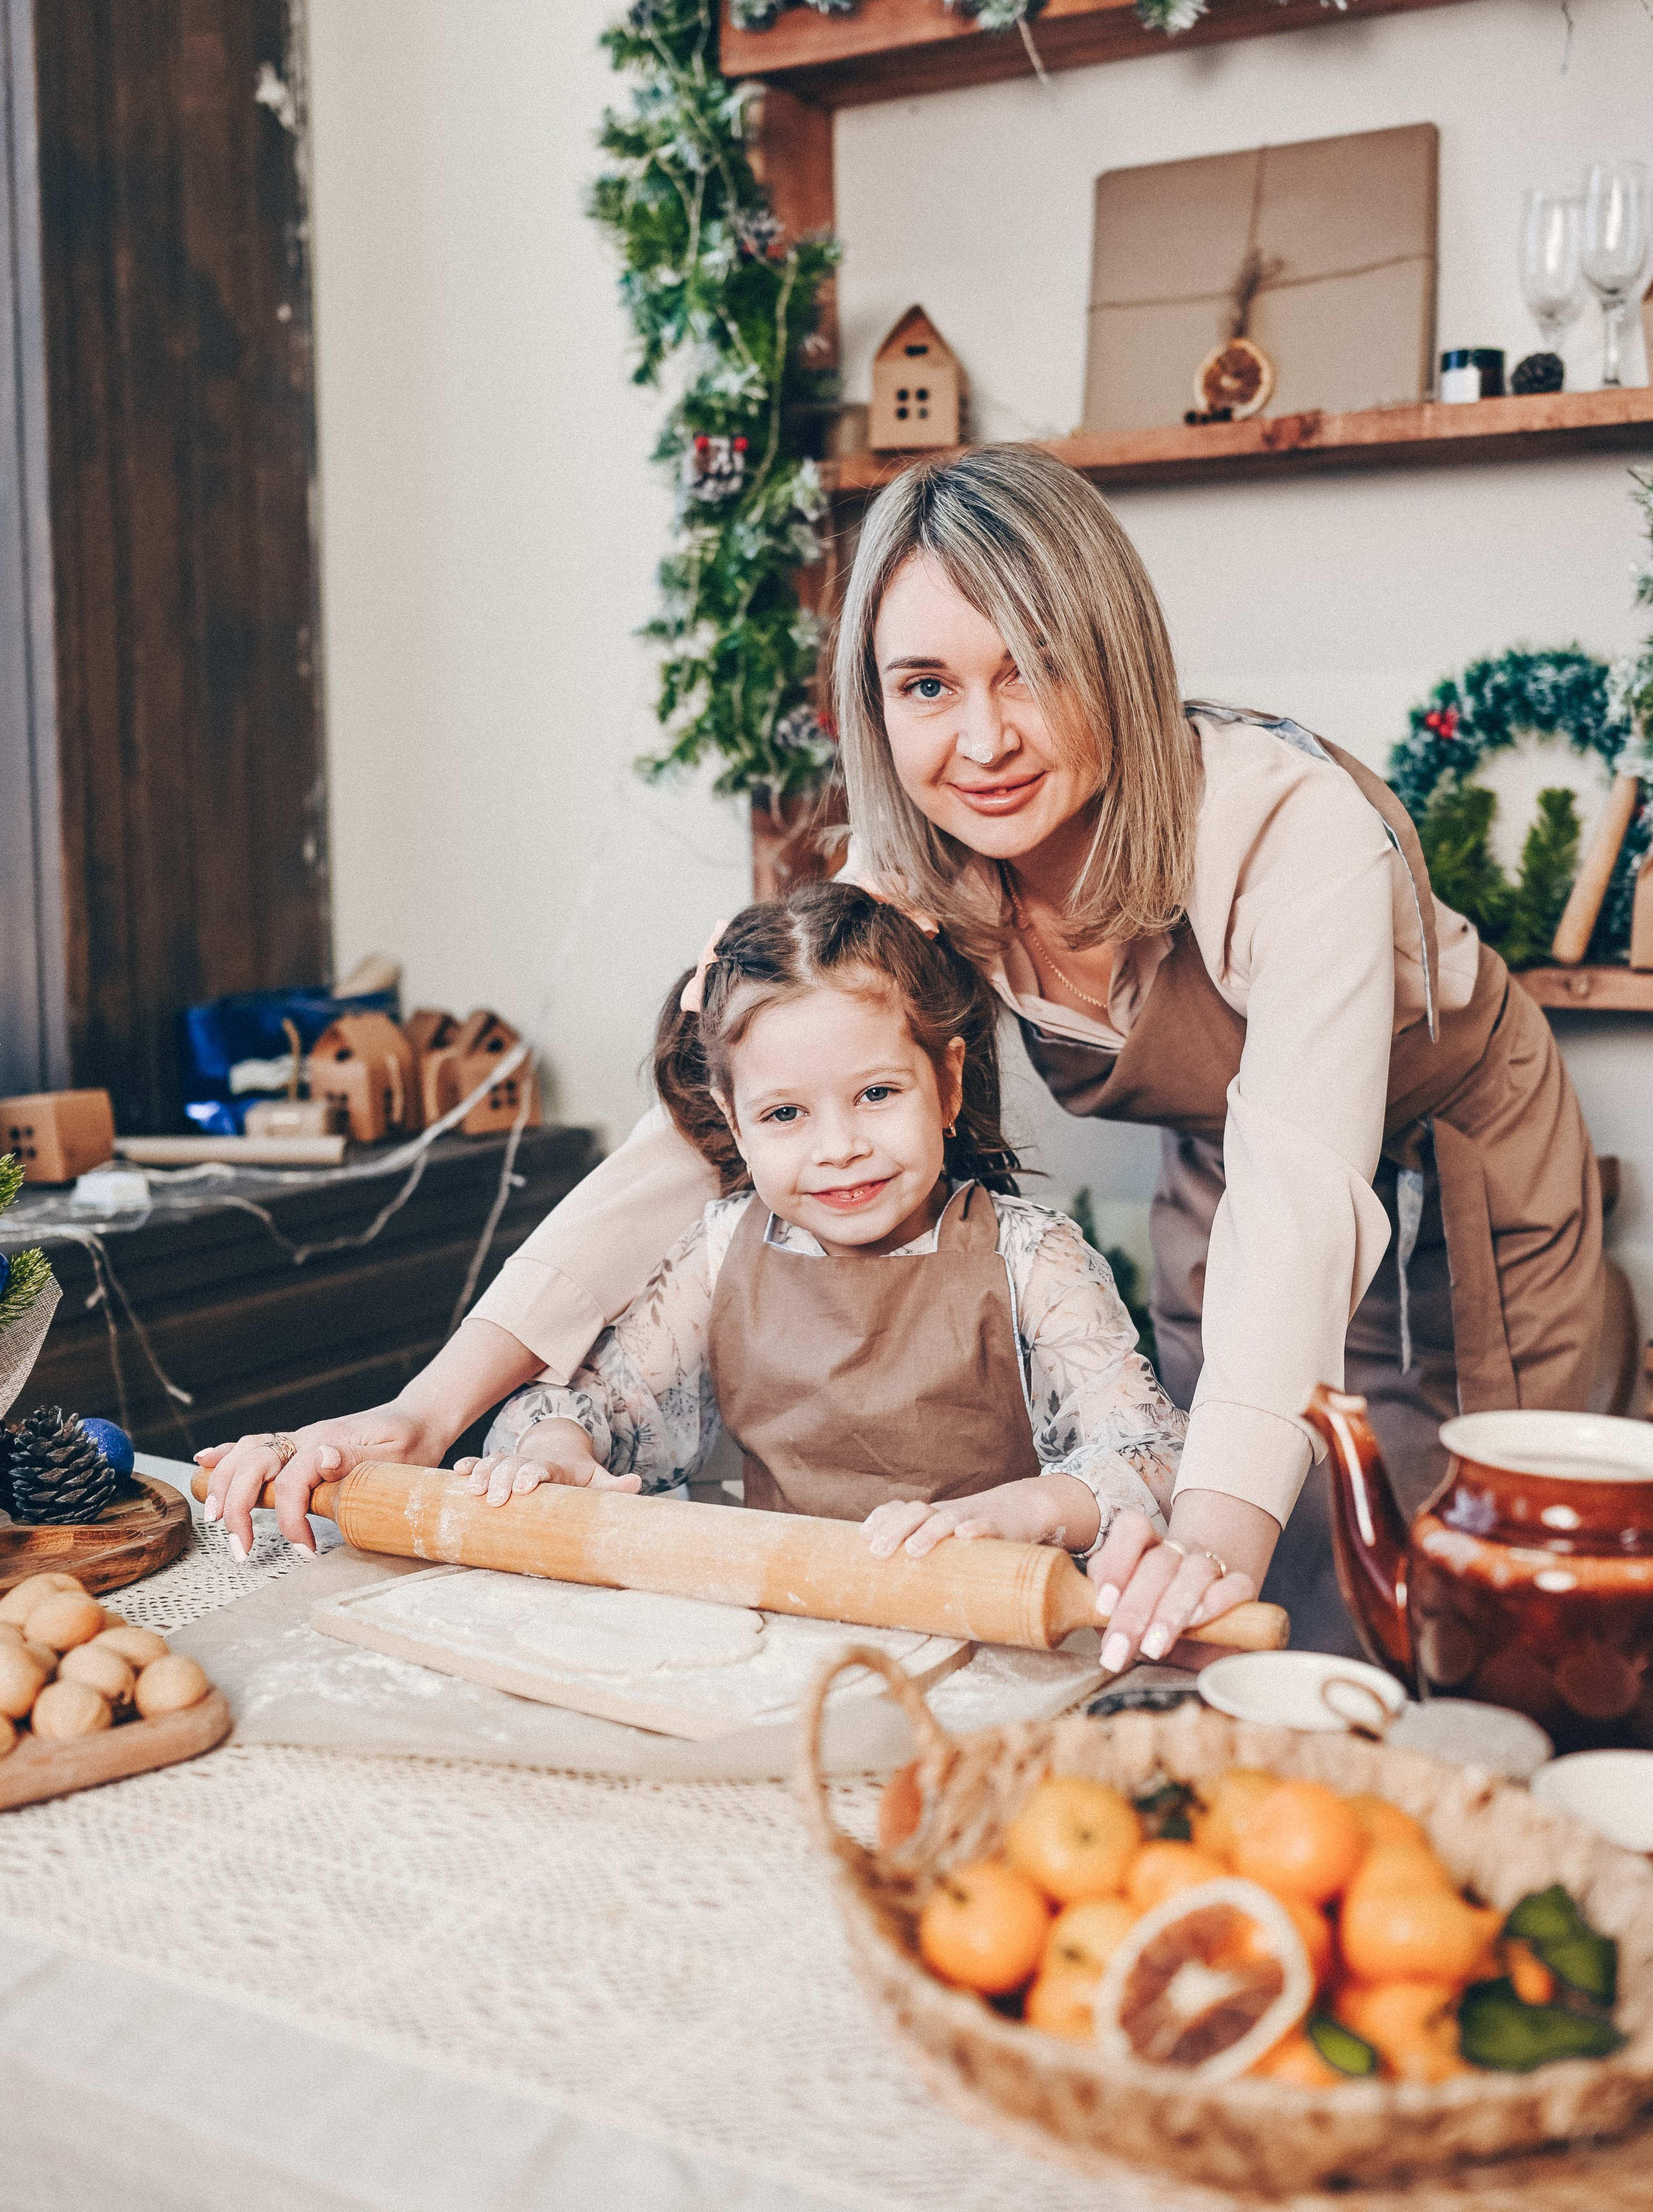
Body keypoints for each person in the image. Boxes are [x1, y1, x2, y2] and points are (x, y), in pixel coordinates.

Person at [198, 445, 1603, 1670]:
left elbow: (1304, 1189)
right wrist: (427, 1407)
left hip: (1462, 1196)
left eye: (1032, 669)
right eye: (924, 684)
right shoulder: (911, 874)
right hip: (1225, 1196)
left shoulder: (1289, 827)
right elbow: (685, 1145)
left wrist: (1217, 1531)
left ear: (1113, 655)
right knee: (1199, 1596)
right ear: (872, 702)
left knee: (1456, 1605)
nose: (981, 740)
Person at [449, 884, 1199, 1604]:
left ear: (947, 1082)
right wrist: (555, 1448)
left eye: (876, 1094)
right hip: (787, 1633)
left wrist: (1020, 1511)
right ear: (733, 1120)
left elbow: (1154, 1456)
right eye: (785, 1113)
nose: (839, 1147)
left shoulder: (1035, 1259)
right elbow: (598, 1405)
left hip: (987, 1636)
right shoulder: (719, 1253)